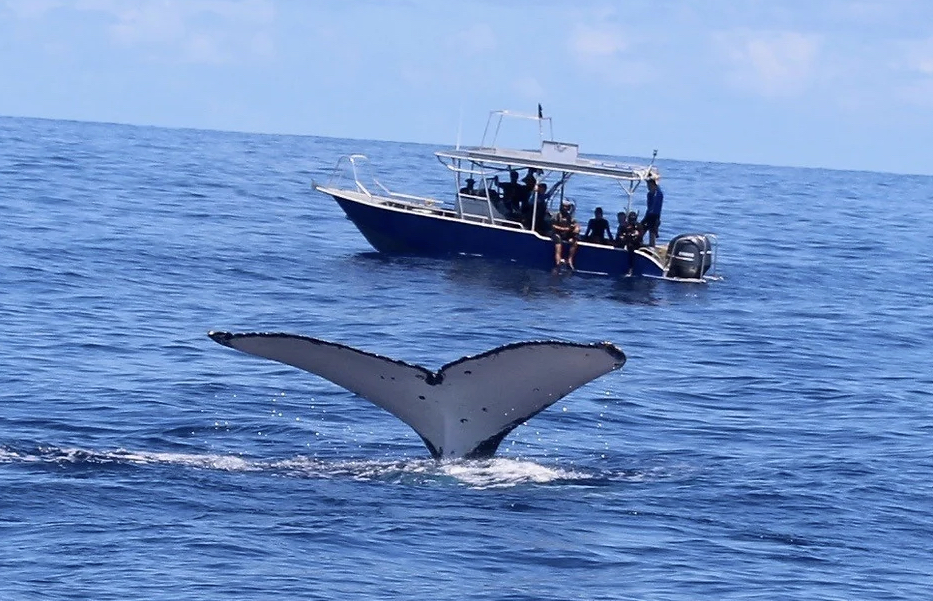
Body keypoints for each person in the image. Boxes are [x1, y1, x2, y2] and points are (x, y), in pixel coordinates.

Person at [551, 201, 580, 270]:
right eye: (564, 206)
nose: (565, 208)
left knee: (574, 241)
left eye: (567, 207)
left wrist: (577, 228)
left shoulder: (569, 217)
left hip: (565, 234)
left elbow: (576, 224)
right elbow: (553, 226)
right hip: (556, 233)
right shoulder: (556, 215)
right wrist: (564, 229)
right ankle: (558, 262)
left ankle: (570, 260)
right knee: (558, 242)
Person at [641, 176, 663, 247]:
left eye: (649, 185)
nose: (648, 187)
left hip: (654, 215)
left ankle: (652, 245)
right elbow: (649, 207)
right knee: (641, 229)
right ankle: (640, 242)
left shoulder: (658, 193)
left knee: (652, 232)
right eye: (648, 185)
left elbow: (653, 207)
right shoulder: (649, 194)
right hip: (649, 214)